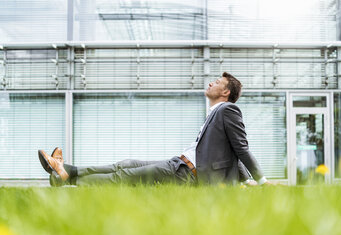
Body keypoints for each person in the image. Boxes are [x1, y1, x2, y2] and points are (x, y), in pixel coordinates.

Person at [38, 72, 269, 186]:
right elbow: (233, 154)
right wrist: (245, 180)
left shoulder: (227, 110)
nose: (211, 82)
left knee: (125, 176)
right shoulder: (215, 114)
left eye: (217, 82)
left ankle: (67, 178)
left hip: (186, 172)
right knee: (124, 164)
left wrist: (262, 181)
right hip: (178, 163)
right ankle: (65, 168)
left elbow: (241, 148)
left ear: (226, 93)